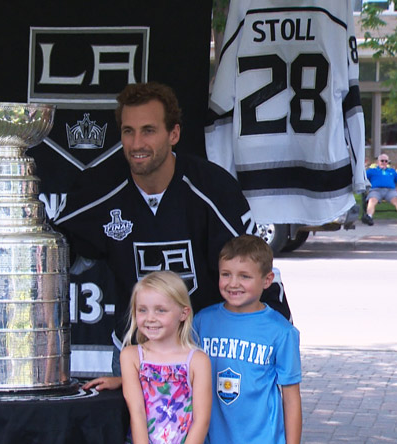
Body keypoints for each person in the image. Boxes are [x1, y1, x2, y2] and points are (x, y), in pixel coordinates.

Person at [54, 82, 291, 390]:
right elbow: (54, 251)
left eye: (149, 130)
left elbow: (258, 269)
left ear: (174, 134)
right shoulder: (99, 188)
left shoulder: (214, 189)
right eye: (128, 131)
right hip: (138, 350)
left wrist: (280, 331)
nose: (137, 143)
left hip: (206, 350)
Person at [193, 235, 302, 444]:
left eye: (244, 276)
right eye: (226, 274)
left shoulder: (281, 331)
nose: (233, 283)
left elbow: (291, 398)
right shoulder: (202, 322)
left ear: (267, 280)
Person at [121, 271, 212, 444]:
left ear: (183, 313)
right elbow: (137, 411)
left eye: (160, 310)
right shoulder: (131, 356)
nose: (150, 318)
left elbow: (201, 420)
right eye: (142, 310)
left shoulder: (198, 361)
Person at [362, 154, 397, 226]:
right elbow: (362, 177)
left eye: (386, 161)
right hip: (376, 190)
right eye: (382, 161)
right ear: (378, 162)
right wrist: (364, 166)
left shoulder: (392, 171)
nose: (384, 162)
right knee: (372, 199)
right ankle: (369, 217)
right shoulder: (372, 171)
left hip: (390, 191)